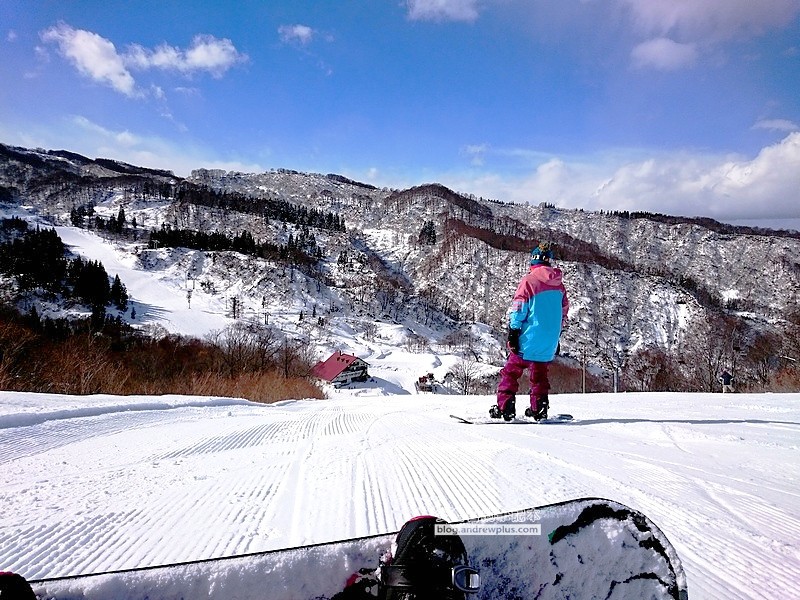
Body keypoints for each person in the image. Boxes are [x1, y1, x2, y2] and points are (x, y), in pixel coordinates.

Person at [490, 243, 569, 421]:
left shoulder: (529, 281)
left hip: (527, 339)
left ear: (533, 261)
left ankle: (505, 406)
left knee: (511, 371)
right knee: (539, 375)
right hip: (548, 341)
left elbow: (519, 308)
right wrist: (556, 336)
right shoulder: (559, 286)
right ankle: (539, 408)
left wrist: (513, 331)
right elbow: (563, 313)